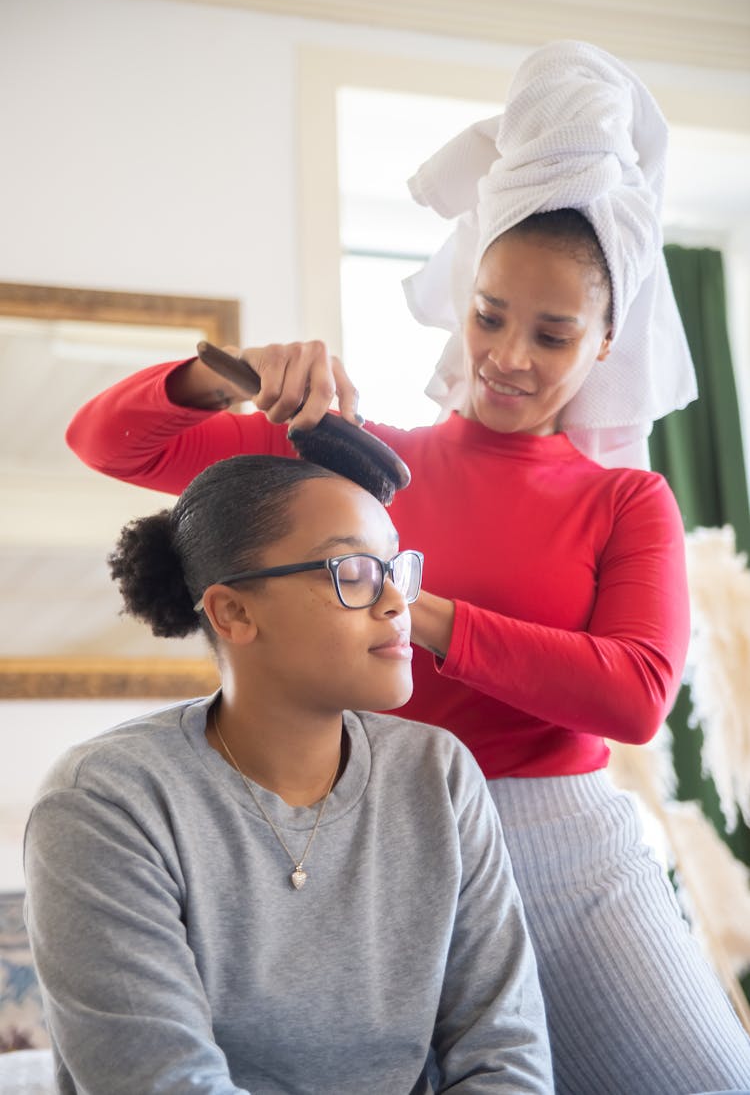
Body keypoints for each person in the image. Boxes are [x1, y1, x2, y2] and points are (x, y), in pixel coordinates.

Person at [64, 40, 750, 1094]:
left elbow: (634, 696)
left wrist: (409, 608)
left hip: (565, 852)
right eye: (489, 314)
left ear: (606, 341)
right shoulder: (348, 465)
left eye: (553, 333)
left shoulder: (625, 500)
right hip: (380, 831)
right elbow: (112, 444)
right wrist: (223, 374)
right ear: (460, 294)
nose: (509, 355)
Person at [23, 453, 553, 1094]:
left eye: (394, 569)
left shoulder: (437, 774)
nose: (396, 602)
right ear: (233, 614)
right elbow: (168, 1084)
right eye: (352, 571)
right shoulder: (105, 800)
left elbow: (505, 1054)